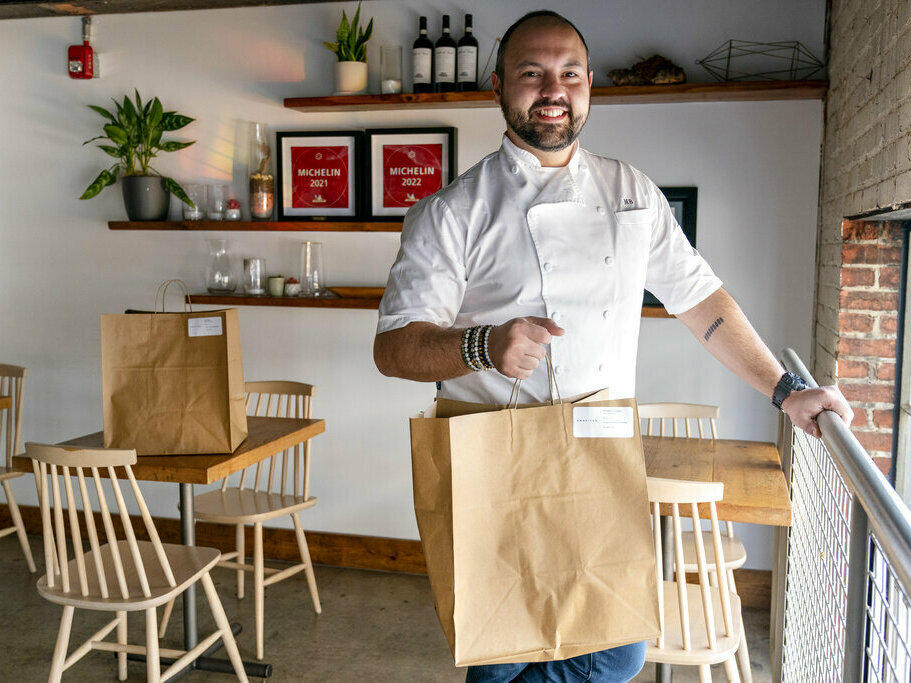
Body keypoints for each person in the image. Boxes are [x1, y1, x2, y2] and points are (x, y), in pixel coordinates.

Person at [374, 10, 853, 682]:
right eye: (531, 73)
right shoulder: (453, 211)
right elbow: (393, 349)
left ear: (589, 85)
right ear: (497, 86)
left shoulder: (631, 192)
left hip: (596, 449)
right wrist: (484, 345)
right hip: (496, 453)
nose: (552, 89)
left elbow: (702, 303)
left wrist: (785, 389)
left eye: (568, 73)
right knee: (505, 642)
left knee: (615, 646)